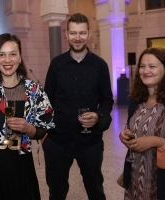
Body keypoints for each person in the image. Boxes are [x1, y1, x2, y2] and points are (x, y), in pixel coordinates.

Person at [0, 33, 54, 200]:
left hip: (20, 161)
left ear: (20, 58)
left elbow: (44, 128)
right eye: (1, 54)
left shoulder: (34, 90)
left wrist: (29, 128)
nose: (8, 60)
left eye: (13, 54)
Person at [43, 13, 114, 200]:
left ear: (89, 34)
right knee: (56, 193)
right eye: (73, 33)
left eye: (82, 33)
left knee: (95, 190)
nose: (77, 38)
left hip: (89, 142)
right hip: (58, 141)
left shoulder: (100, 66)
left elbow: (107, 99)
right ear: (66, 34)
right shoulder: (56, 64)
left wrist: (98, 115)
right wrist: (43, 134)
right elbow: (46, 100)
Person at [119, 47, 165, 199]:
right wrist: (125, 134)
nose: (145, 71)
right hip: (135, 177)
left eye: (152, 66)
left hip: (159, 182)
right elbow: (130, 127)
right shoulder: (136, 101)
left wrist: (155, 141)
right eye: (142, 66)